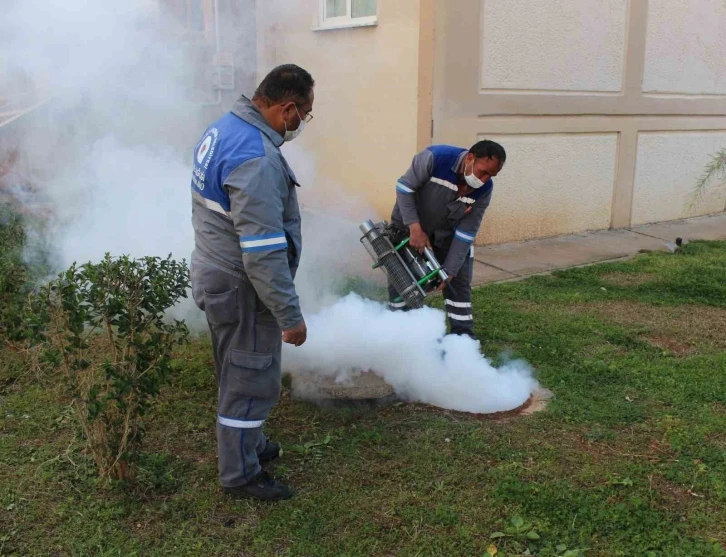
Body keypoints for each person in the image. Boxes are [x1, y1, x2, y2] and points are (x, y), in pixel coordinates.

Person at [189, 64, 314, 501]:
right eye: (305, 115)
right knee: (251, 377)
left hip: (216, 273)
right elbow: (262, 251)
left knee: (236, 367)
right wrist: (289, 315)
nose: (302, 124)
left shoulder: (224, 128)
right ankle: (241, 474)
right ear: (288, 107)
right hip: (243, 287)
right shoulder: (256, 157)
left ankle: (251, 444)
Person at [388, 141, 506, 338]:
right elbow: (404, 188)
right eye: (483, 172)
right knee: (402, 275)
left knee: (458, 280)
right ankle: (398, 328)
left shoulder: (484, 190)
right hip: (410, 224)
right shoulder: (435, 158)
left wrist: (450, 269)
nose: (484, 180)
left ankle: (462, 337)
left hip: (447, 232)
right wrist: (415, 229)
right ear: (470, 158)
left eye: (491, 176)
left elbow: (466, 232)